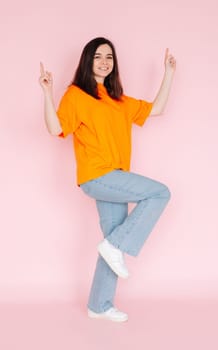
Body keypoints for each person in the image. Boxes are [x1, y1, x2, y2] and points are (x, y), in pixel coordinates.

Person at [39, 37, 176, 322]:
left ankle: (98, 305)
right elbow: (55, 129)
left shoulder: (119, 101)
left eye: (109, 57)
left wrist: (169, 73)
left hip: (116, 178)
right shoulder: (76, 95)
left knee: (112, 239)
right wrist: (47, 92)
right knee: (159, 193)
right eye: (98, 56)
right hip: (97, 175)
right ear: (87, 61)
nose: (104, 62)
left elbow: (157, 109)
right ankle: (115, 247)